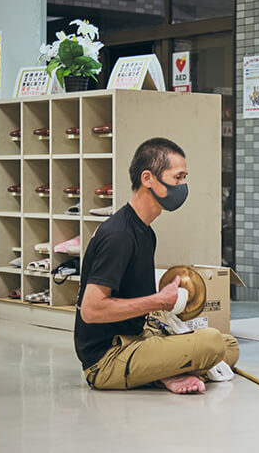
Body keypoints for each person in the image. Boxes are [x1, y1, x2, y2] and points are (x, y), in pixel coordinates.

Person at [74, 138, 239, 394]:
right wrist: (159, 301)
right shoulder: (119, 235)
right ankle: (165, 372)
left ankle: (165, 370)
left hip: (139, 336)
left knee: (229, 345)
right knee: (212, 344)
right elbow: (91, 310)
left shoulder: (145, 232)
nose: (183, 186)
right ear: (148, 178)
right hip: (107, 358)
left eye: (185, 178)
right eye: (178, 177)